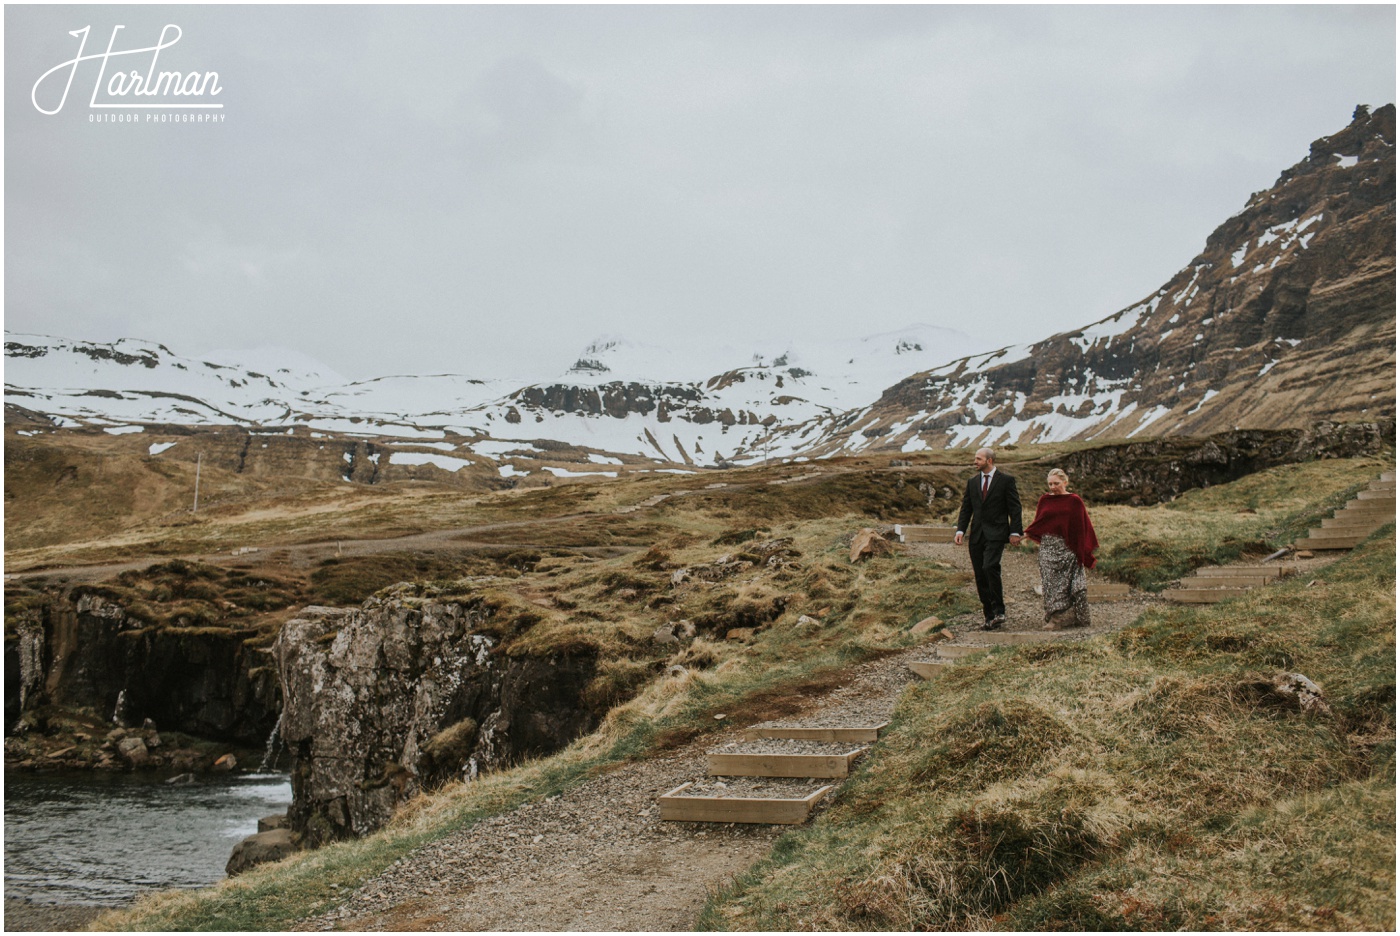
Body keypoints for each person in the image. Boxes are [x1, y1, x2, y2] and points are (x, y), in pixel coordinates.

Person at [1020, 468, 1099, 630]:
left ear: (1065, 482)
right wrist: (1024, 535)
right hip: (1048, 549)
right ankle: (1055, 619)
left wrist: (1080, 550)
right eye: (1050, 484)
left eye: (1056, 483)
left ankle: (1073, 617)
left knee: (1073, 584)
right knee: (1050, 583)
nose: (1053, 487)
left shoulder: (1074, 501)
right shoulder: (1044, 500)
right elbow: (1039, 523)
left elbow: (1081, 526)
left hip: (1068, 547)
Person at [954, 447, 1022, 630]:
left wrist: (1015, 532)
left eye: (978, 458)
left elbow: (1015, 508)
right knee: (980, 575)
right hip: (976, 535)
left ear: (989, 460)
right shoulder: (972, 482)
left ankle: (999, 610)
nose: (975, 461)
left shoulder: (1006, 481)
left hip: (997, 533)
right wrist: (960, 530)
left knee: (989, 566)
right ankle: (989, 615)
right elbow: (966, 507)